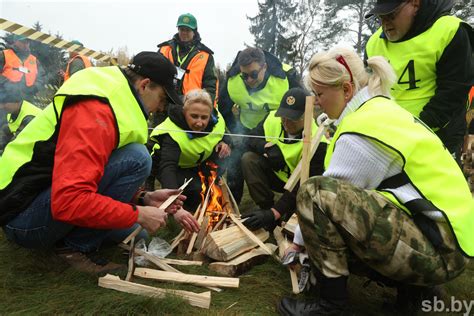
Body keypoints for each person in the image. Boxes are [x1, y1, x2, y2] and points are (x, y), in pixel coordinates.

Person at [278, 47, 473, 315]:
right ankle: (416, 292)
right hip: (449, 241)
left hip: (440, 251)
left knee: (314, 193)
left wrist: (298, 243)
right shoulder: (381, 111)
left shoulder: (362, 129)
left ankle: (331, 306)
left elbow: (324, 201)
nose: (317, 101)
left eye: (320, 93)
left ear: (347, 90)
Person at [0, 51, 189, 274]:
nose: (161, 108)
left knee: (139, 232)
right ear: (144, 85)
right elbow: (69, 200)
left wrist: (142, 198)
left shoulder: (112, 96)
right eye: (163, 99)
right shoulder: (95, 112)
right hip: (21, 217)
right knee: (138, 159)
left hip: (40, 196)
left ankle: (72, 237)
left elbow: (94, 173)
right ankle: (73, 249)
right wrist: (137, 213)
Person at [365, 0, 474, 160]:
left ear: (415, 4)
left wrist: (415, 129)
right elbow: (368, 94)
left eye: (391, 15)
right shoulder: (373, 44)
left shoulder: (449, 30)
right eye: (380, 17)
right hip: (388, 137)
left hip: (437, 137)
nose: (385, 23)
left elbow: (453, 92)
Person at [218, 47, 300, 204]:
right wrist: (236, 130)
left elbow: (303, 103)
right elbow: (223, 108)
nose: (249, 80)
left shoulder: (285, 78)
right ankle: (231, 208)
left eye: (254, 74)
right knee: (235, 166)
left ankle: (287, 204)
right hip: (247, 131)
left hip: (276, 132)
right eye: (245, 75)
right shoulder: (233, 80)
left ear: (265, 67)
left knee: (276, 166)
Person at [240, 87, 327, 231]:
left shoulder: (319, 142)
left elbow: (304, 185)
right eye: (283, 116)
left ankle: (279, 213)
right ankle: (265, 207)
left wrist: (276, 211)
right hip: (276, 176)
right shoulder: (271, 119)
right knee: (248, 159)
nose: (286, 122)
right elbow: (250, 138)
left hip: (298, 186)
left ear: (307, 115)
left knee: (291, 224)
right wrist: (265, 147)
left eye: (292, 118)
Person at [149, 89, 231, 229]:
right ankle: (180, 207)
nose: (199, 123)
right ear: (184, 112)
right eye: (194, 116)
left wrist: (225, 142)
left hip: (194, 163)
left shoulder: (216, 119)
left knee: (223, 158)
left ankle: (208, 192)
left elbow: (224, 133)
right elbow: (167, 168)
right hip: (168, 168)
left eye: (204, 117)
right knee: (195, 190)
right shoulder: (171, 133)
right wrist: (174, 204)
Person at [158, 13, 218, 104]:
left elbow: (211, 86)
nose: (184, 33)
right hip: (163, 104)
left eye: (188, 30)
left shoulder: (206, 56)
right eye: (182, 29)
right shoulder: (164, 49)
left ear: (194, 31)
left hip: (190, 107)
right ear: (178, 30)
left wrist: (204, 108)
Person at [0, 83, 42, 155]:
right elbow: (7, 130)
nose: (1, 107)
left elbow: (17, 142)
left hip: (39, 151)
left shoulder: (29, 117)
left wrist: (3, 153)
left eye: (5, 103)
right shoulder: (13, 110)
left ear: (17, 102)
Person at [0, 34, 41, 100]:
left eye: (27, 42)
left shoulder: (35, 60)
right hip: (4, 97)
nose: (26, 45)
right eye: (23, 42)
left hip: (28, 98)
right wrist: (7, 84)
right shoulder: (3, 55)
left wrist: (35, 87)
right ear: (15, 41)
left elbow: (42, 77)